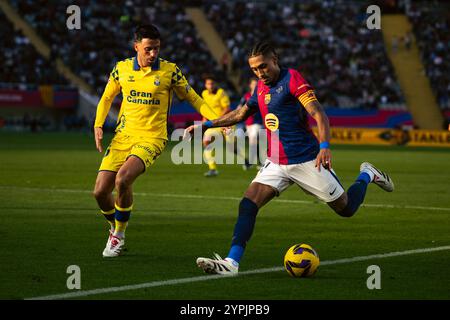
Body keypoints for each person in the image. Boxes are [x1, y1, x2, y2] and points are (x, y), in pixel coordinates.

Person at [184, 41, 395, 275]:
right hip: (275, 162)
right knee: (247, 205)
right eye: (254, 69)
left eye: (263, 66)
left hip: (306, 159)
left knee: (346, 209)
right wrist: (208, 125)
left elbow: (318, 113)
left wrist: (324, 146)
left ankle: (367, 174)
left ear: (275, 60)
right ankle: (231, 263)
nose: (259, 72)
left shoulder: (292, 79)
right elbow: (241, 113)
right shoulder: (260, 89)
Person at [93, 24, 219, 257]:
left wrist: (218, 121)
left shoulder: (169, 71)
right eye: (148, 49)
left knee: (123, 179)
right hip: (123, 137)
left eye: (157, 49)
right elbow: (106, 97)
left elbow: (194, 98)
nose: (153, 54)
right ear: (136, 47)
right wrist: (98, 124)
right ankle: (114, 227)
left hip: (152, 137)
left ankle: (119, 235)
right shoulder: (121, 69)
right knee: (100, 192)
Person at [201, 74, 250, 177]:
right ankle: (213, 169)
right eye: (208, 84)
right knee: (206, 142)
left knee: (231, 148)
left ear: (215, 84)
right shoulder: (204, 94)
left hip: (225, 122)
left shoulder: (221, 93)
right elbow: (205, 109)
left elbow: (227, 108)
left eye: (212, 83)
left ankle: (245, 159)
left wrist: (218, 119)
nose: (210, 85)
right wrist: (204, 119)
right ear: (205, 85)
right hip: (213, 124)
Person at [237, 77, 265, 168]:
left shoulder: (262, 95)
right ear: (250, 85)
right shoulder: (246, 96)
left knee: (253, 141)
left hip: (258, 122)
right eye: (253, 83)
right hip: (248, 124)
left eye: (256, 84)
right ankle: (259, 161)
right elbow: (240, 107)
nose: (255, 85)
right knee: (252, 142)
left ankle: (251, 162)